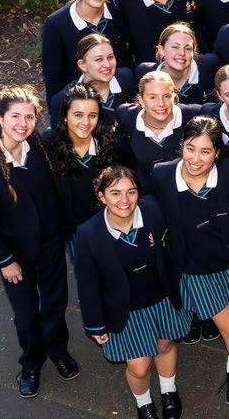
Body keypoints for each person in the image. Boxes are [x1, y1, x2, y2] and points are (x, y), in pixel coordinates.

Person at [150, 117, 229, 414]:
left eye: (205, 151)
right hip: (198, 272)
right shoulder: (162, 175)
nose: (196, 158)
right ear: (181, 145)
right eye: (190, 148)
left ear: (217, 153)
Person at [0, 86, 78, 399]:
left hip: (49, 243)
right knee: (26, 314)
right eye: (15, 117)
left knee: (55, 302)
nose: (23, 124)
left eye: (30, 117)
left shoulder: (39, 144)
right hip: (15, 254)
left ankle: (57, 350)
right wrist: (4, 261)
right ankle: (31, 363)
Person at [73, 166, 192, 419]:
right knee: (139, 367)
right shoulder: (88, 234)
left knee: (165, 345)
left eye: (131, 192)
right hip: (125, 311)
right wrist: (94, 324)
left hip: (161, 299)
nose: (125, 200)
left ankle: (168, 390)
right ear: (101, 196)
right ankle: (144, 403)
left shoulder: (153, 211)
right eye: (115, 193)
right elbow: (87, 284)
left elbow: (171, 251)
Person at [42, 0, 130, 99]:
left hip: (119, 96)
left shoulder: (116, 7)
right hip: (79, 100)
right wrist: (57, 108)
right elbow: (53, 79)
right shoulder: (56, 24)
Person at [44, 83, 123, 242]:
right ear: (65, 116)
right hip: (72, 233)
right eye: (78, 115)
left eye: (92, 115)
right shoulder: (48, 147)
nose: (85, 122)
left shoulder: (111, 146)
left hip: (108, 228)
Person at [114, 72, 204, 184]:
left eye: (166, 96)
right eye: (152, 97)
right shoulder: (127, 117)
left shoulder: (194, 115)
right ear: (141, 100)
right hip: (146, 188)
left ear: (174, 97)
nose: (161, 104)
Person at [48, 33, 137, 126]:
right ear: (83, 65)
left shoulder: (126, 78)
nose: (107, 64)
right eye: (98, 59)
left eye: (110, 57)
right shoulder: (63, 100)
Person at [134, 22, 220, 105]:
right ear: (161, 50)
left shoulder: (210, 67)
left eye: (188, 48)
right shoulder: (144, 73)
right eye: (175, 47)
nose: (182, 53)